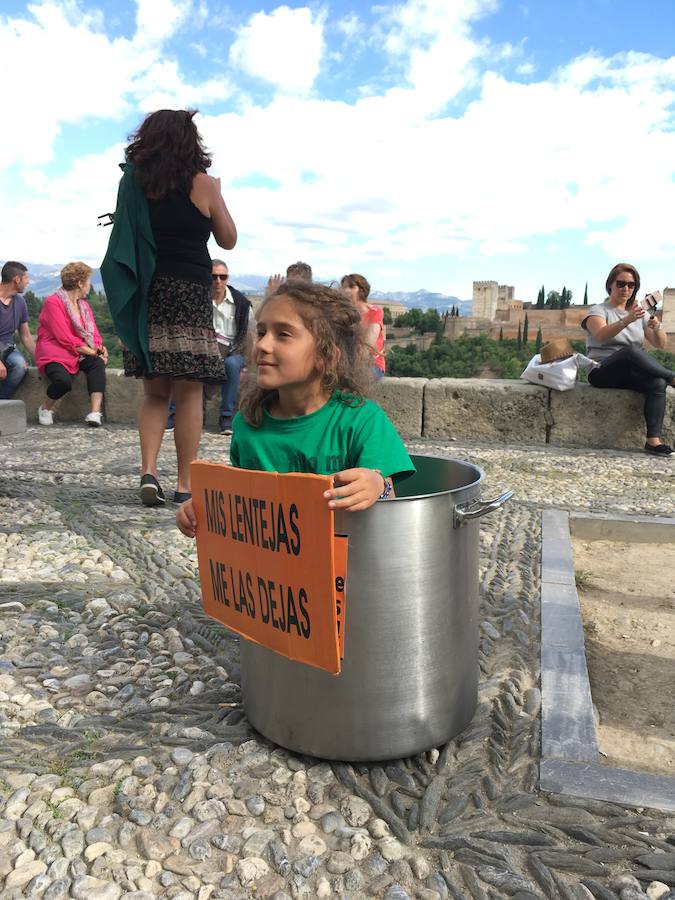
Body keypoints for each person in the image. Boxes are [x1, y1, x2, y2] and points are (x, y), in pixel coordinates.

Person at [177, 281, 415, 537]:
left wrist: (376, 485)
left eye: (283, 334)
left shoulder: (363, 420)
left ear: (327, 357)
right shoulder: (248, 424)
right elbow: (243, 504)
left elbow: (389, 501)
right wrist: (205, 510)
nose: (263, 345)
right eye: (262, 332)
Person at [102, 108, 237, 507]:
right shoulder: (203, 183)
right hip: (189, 291)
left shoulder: (134, 183)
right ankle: (185, 483)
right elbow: (228, 240)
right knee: (190, 391)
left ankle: (148, 472)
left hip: (149, 291)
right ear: (189, 141)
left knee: (155, 391)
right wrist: (217, 192)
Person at [581, 262, 675, 455]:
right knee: (631, 351)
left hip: (630, 374)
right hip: (602, 371)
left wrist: (656, 326)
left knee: (657, 383)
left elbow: (660, 344)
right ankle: (672, 377)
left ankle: (653, 441)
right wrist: (627, 320)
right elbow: (601, 335)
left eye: (631, 285)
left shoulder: (639, 313)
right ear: (610, 285)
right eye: (621, 283)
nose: (626, 289)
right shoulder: (598, 311)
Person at [167, 259, 251, 435]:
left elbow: (249, 335)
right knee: (183, 361)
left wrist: (246, 365)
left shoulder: (241, 303)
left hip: (231, 350)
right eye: (214, 277)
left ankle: (226, 417)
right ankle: (175, 413)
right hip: (202, 349)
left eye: (223, 276)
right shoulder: (196, 300)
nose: (218, 281)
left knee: (232, 365)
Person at [35, 262, 108, 426]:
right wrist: (92, 351)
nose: (89, 285)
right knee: (63, 381)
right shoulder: (53, 302)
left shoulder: (84, 305)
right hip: (55, 353)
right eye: (88, 281)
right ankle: (46, 408)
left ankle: (95, 413)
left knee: (97, 364)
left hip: (80, 352)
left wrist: (99, 348)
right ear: (80, 283)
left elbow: (93, 332)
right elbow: (64, 337)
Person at [0, 261, 36, 400]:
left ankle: (2, 402)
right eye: (26, 278)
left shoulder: (20, 302)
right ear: (17, 279)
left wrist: (41, 359)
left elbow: (26, 336)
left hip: (7, 348)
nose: (27, 282)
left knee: (20, 366)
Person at [341, 273, 386, 379]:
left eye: (351, 287)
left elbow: (367, 347)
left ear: (362, 290)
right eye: (344, 288)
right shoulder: (345, 315)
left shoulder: (375, 312)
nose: (346, 291)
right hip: (349, 364)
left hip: (372, 365)